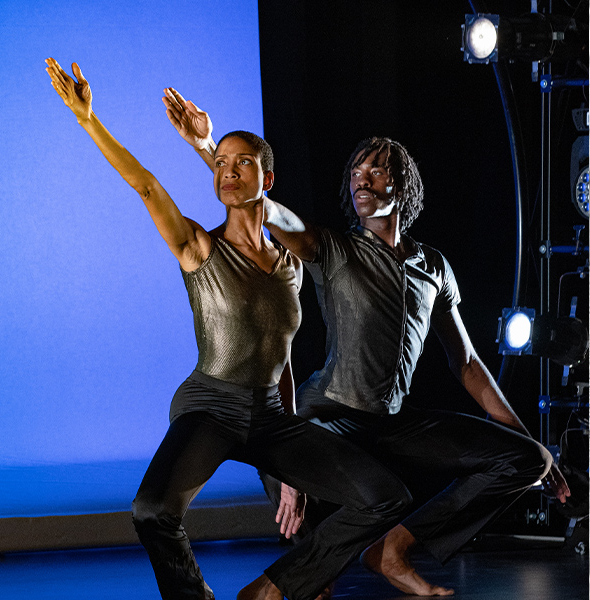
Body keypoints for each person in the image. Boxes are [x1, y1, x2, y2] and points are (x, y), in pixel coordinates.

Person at [163, 93, 571, 597]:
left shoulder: (434, 268)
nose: (363, 179)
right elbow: (261, 205)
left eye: (376, 172)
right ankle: (293, 582)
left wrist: (533, 445)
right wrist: (209, 146)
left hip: (396, 422)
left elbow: (465, 362)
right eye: (356, 173)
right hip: (326, 415)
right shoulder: (330, 248)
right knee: (314, 573)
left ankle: (393, 548)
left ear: (403, 186)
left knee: (527, 459)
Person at [45, 57, 412, 600]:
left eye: (242, 163)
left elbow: (282, 358)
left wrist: (291, 471)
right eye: (220, 164)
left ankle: (274, 587)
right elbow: (146, 187)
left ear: (268, 178)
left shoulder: (291, 264)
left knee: (386, 496)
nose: (228, 171)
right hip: (209, 407)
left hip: (269, 415)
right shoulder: (199, 247)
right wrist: (88, 119)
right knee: (152, 512)